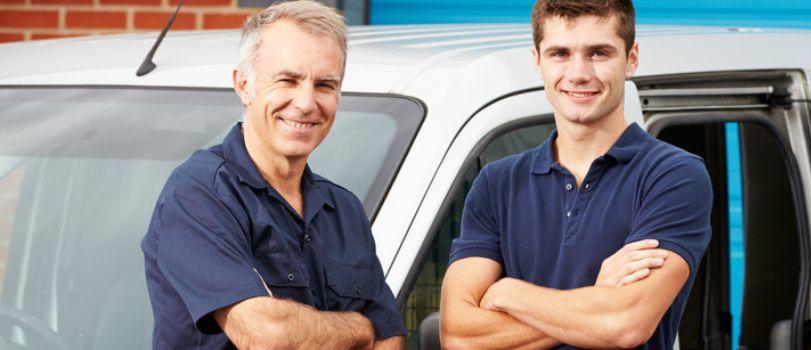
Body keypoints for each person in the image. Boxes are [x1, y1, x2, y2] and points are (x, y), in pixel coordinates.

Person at [439, 0, 713, 348]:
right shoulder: (497, 184)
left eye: (599, 53)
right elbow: (459, 336)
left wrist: (508, 293)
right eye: (560, 53)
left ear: (631, 59)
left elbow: (624, 325)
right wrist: (596, 298)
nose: (579, 73)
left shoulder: (672, 176)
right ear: (537, 62)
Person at [140, 1, 405, 348]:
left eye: (325, 85)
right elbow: (269, 337)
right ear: (243, 84)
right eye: (287, 80)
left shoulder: (345, 210)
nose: (307, 103)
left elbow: (391, 340)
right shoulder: (198, 195)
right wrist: (358, 329)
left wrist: (306, 328)